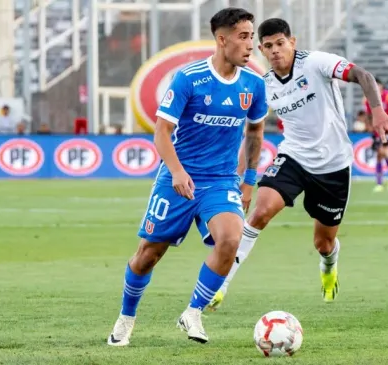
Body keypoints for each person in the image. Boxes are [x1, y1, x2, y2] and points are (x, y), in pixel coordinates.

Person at [206, 18, 388, 311]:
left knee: (324, 243)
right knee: (260, 213)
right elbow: (250, 131)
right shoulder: (264, 85)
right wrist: (244, 176)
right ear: (261, 50)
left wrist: (378, 111)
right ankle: (220, 284)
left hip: (333, 165)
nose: (275, 51)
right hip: (293, 157)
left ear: (292, 42)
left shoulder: (316, 63)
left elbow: (362, 75)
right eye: (268, 46)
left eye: (280, 43)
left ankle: (329, 266)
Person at [107, 7, 267, 346]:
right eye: (243, 36)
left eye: (251, 36)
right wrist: (177, 171)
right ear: (222, 40)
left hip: (221, 181)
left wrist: (249, 179)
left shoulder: (253, 83)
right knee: (148, 254)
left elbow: (255, 132)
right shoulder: (188, 78)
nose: (250, 44)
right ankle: (126, 317)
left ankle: (193, 312)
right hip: (178, 179)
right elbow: (162, 132)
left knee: (231, 240)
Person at [364, 78, 388, 192]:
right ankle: (380, 183)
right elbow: (369, 115)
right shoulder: (368, 99)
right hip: (377, 130)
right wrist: (370, 126)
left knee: (382, 151)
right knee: (379, 155)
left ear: (382, 87)